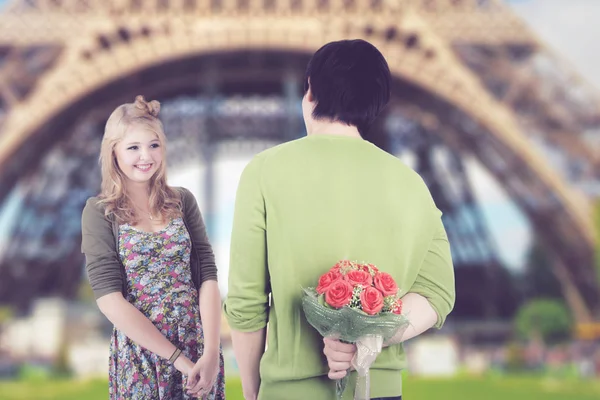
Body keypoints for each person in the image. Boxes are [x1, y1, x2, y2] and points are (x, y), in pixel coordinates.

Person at [224, 39, 456, 400]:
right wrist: (367, 334)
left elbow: (246, 305)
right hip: (379, 389)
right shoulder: (411, 184)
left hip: (292, 392)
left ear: (310, 92)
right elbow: (437, 294)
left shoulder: (264, 172)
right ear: (375, 103)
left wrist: (253, 392)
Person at [81, 96, 225, 399]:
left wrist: (211, 351)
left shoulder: (183, 201)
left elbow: (207, 276)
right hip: (142, 354)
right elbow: (110, 300)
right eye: (133, 147)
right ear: (114, 152)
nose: (146, 156)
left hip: (198, 348)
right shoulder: (99, 212)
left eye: (154, 145)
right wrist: (180, 361)